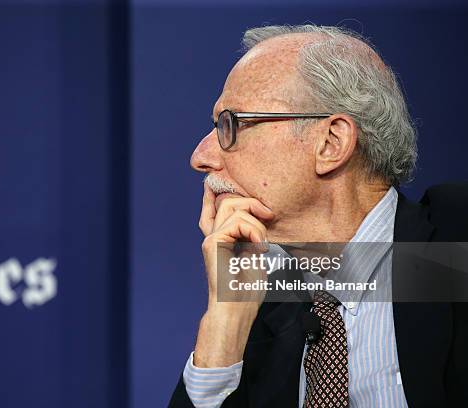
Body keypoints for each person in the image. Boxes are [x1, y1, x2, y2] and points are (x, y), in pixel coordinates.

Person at [168, 24, 468, 408]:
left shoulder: (454, 243)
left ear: (331, 143)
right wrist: (224, 328)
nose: (201, 157)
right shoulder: (262, 312)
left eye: (231, 125)